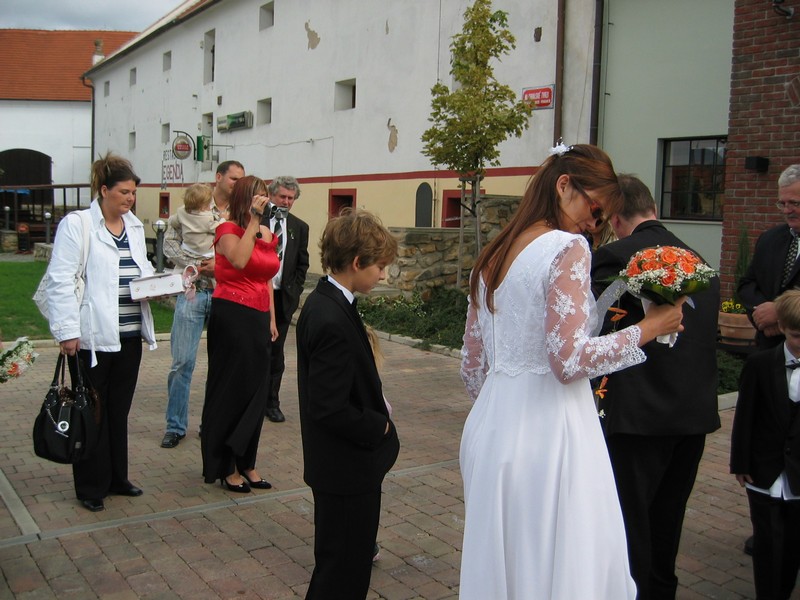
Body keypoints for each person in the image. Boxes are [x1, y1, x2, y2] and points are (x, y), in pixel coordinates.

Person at [458, 144, 685, 600]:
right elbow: (569, 362)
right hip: (551, 436)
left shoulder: (493, 254)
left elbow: (472, 369)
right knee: (560, 571)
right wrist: (650, 327)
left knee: (508, 572)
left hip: (489, 434)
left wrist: (508, 401)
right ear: (564, 186)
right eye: (595, 209)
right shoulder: (567, 247)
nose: (595, 224)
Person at [590, 174, 721, 600]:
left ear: (614, 218)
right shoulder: (698, 259)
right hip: (691, 414)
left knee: (630, 525)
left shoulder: (612, 258)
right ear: (653, 209)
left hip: (636, 417)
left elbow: (593, 328)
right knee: (668, 521)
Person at [296, 208, 400, 600]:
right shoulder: (329, 317)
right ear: (357, 263)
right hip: (345, 469)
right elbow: (328, 406)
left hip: (341, 468)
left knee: (345, 566)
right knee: (342, 572)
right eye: (380, 267)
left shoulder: (330, 302)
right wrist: (379, 425)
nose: (383, 276)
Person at [45, 153, 157, 512]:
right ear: (104, 190)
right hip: (92, 339)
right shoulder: (78, 225)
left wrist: (162, 284)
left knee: (118, 411)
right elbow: (61, 280)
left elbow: (142, 270)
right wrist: (67, 331)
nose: (130, 199)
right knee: (92, 411)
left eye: (133, 193)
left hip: (129, 335)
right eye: (124, 192)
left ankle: (117, 478)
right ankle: (91, 486)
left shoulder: (133, 227)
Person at [200, 175, 279, 492]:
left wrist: (272, 318)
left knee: (257, 391)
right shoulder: (227, 230)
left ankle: (247, 460)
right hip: (232, 314)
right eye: (257, 196)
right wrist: (254, 221)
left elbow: (267, 277)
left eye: (265, 196)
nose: (263, 201)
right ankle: (226, 465)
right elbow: (241, 259)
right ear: (244, 199)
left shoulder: (267, 233)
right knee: (232, 390)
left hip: (259, 315)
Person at [160, 160, 244, 449]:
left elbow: (244, 254)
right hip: (192, 292)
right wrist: (195, 263)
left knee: (221, 365)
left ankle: (211, 425)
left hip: (225, 292)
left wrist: (218, 266)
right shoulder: (191, 207)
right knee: (182, 361)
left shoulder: (240, 214)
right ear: (219, 177)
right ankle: (175, 426)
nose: (238, 184)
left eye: (241, 179)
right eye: (234, 178)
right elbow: (169, 242)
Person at [730, 289, 800, 600]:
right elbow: (745, 415)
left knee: (794, 544)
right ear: (782, 327)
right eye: (796, 336)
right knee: (767, 543)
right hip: (764, 469)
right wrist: (741, 462)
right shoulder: (760, 364)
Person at [738, 164, 800, 350]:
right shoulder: (769, 239)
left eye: (795, 203)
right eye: (782, 203)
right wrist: (763, 316)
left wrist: (780, 313)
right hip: (768, 350)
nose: (787, 210)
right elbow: (747, 284)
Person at [264, 176, 309, 423]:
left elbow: (302, 263)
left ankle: (272, 402)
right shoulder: (257, 220)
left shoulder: (299, 227)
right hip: (258, 294)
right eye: (282, 196)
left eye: (291, 198)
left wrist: (295, 291)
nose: (286, 202)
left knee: (276, 353)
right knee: (254, 348)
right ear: (271, 195)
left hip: (283, 297)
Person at [167, 182, 221, 260]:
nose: (210, 207)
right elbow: (218, 228)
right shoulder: (206, 218)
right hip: (205, 253)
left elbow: (173, 222)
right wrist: (223, 219)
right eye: (208, 205)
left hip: (187, 249)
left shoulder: (181, 212)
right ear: (202, 207)